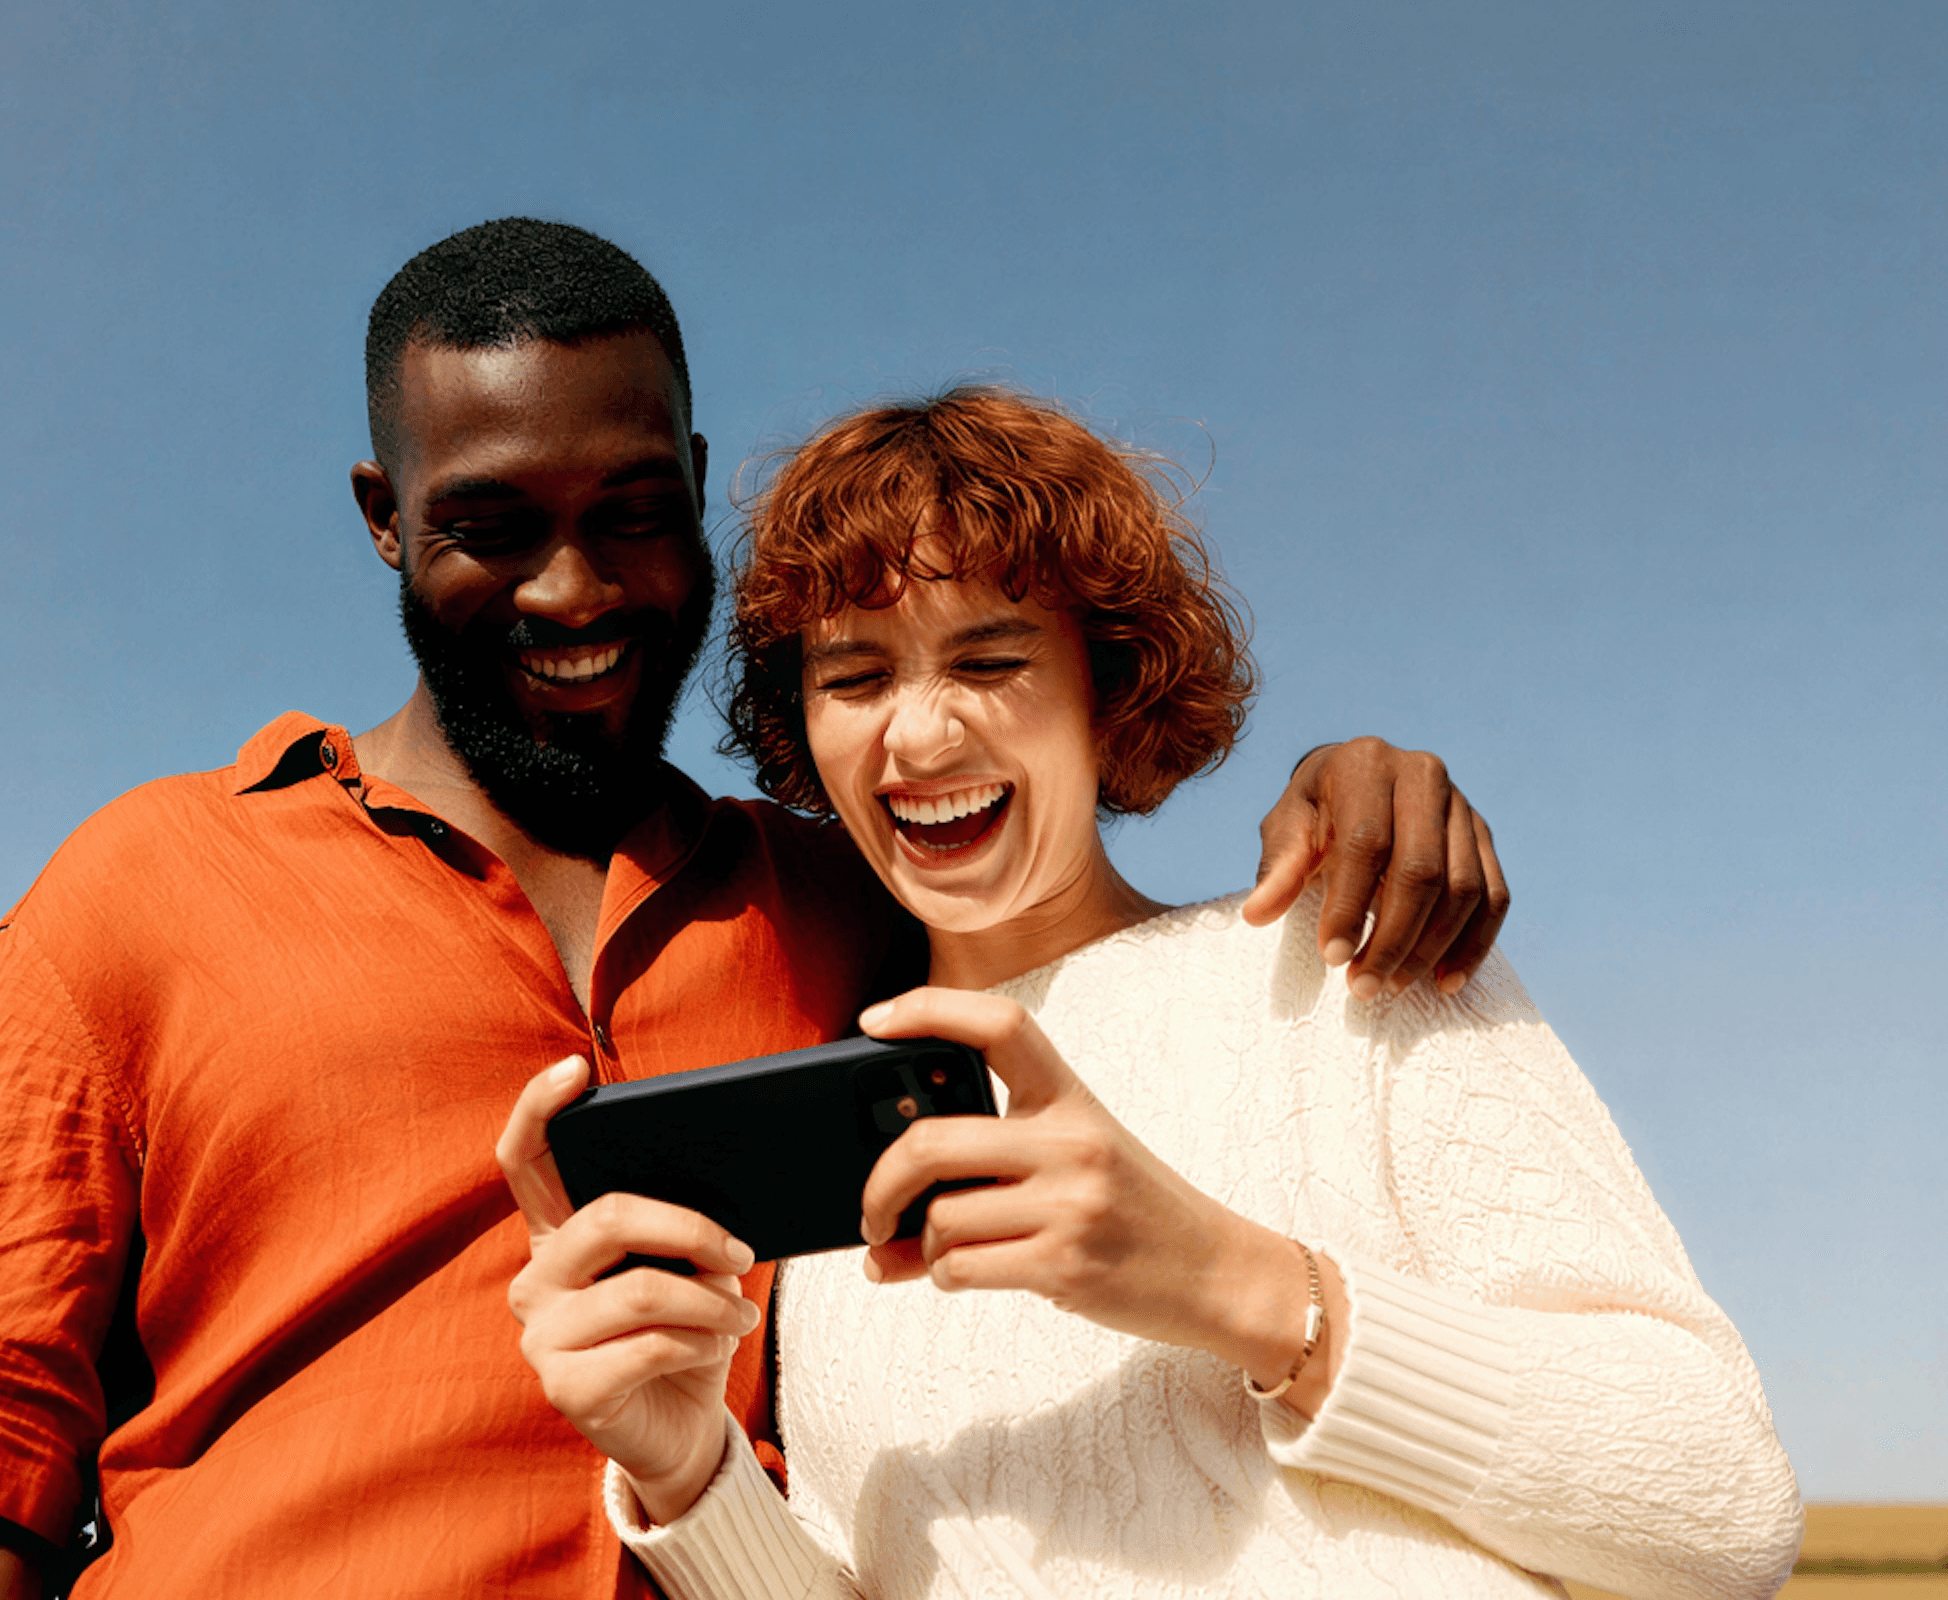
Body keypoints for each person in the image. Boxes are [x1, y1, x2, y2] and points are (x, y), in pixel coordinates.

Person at [0, 221, 1514, 1600]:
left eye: (631, 514)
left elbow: (1086, 915)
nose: (574, 591)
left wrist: (1355, 784)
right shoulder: (142, 888)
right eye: (488, 527)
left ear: (696, 488)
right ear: (383, 520)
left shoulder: (846, 905)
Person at [498, 388, 1802, 1598]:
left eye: (991, 660)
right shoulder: (856, 1159)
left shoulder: (1337, 967)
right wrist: (689, 1469)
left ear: (1106, 690)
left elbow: (1727, 1509)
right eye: (856, 676)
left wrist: (1229, 1285)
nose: (920, 735)